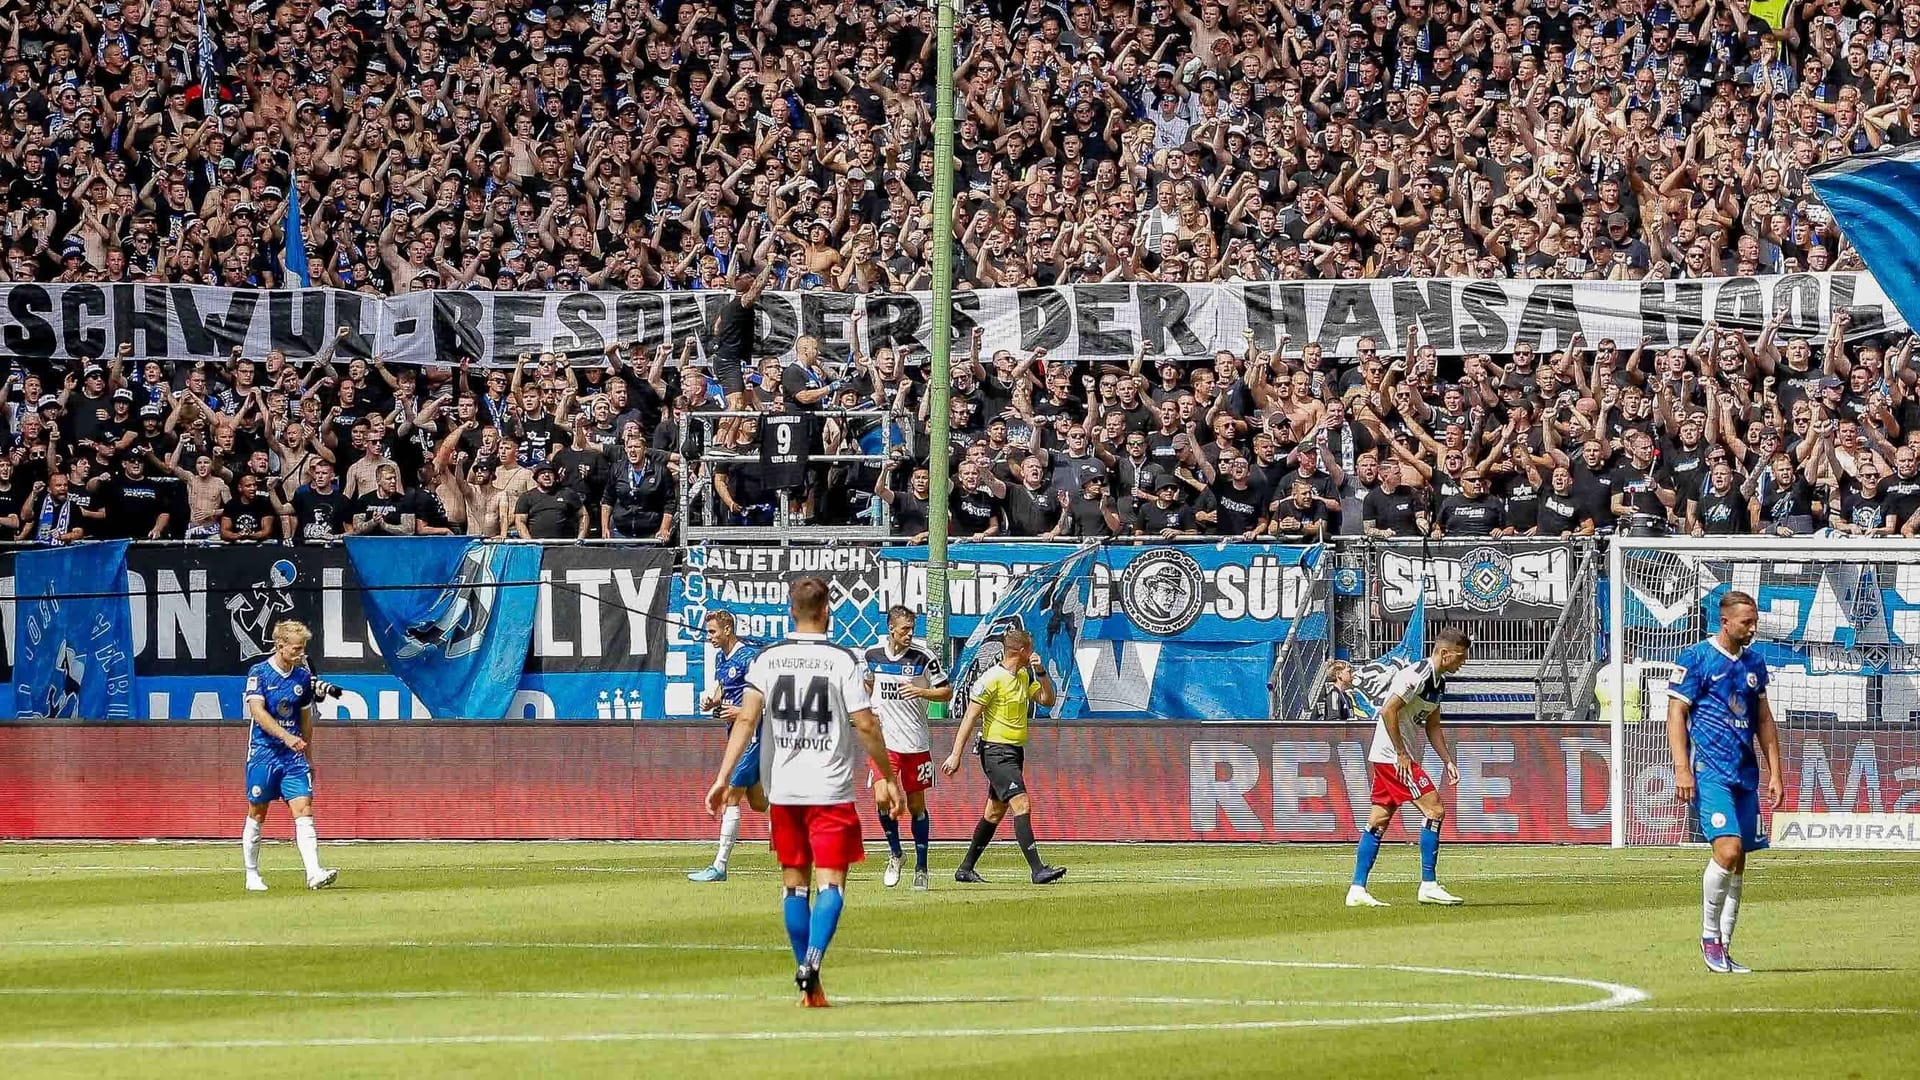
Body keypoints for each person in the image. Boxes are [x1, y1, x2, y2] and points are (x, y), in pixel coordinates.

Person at [705, 577, 900, 1008]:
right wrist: (888, 776)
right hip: (829, 790)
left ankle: (811, 989)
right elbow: (866, 724)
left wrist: (722, 777)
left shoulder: (768, 660)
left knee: (794, 888)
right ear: (827, 612)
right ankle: (811, 961)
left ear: (790, 611)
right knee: (832, 886)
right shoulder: (841, 660)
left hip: (785, 790)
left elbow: (745, 721)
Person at [1667, 590, 1783, 974]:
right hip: (1709, 772)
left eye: (1755, 621)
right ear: (1726, 622)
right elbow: (1675, 715)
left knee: (1740, 862)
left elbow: (1764, 720)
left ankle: (1726, 946)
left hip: (1745, 775)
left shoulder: (1754, 664)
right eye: (1746, 622)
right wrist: (1682, 769)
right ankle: (1708, 936)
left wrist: (1776, 773)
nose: (1753, 628)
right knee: (1728, 850)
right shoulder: (1696, 658)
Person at [1346, 627, 1471, 908]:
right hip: (1393, 757)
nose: (1462, 663)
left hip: (1391, 756)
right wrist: (1402, 754)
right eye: (1460, 657)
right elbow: (1388, 710)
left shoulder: (1438, 682)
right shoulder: (1417, 675)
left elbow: (1433, 725)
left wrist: (1447, 760)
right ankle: (1428, 884)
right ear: (1444, 652)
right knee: (1434, 809)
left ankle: (1356, 889)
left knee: (1378, 819)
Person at [942, 628, 1067, 885]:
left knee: (994, 813)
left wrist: (1041, 673)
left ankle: (965, 868)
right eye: (1030, 649)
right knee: (1021, 804)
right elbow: (970, 717)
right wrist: (955, 755)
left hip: (1014, 752)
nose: (1033, 653)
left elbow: (1047, 699)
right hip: (996, 752)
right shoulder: (992, 679)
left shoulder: (1023, 675)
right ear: (1022, 651)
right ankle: (1037, 870)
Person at [241, 620, 338, 892]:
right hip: (263, 754)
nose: (300, 653)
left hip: (293, 758)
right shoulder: (259, 673)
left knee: (304, 809)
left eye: (303, 648)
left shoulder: (303, 677)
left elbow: (305, 719)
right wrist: (285, 737)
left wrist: (308, 755)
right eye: (296, 648)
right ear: (280, 646)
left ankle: (314, 873)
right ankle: (252, 874)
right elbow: (258, 713)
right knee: (257, 811)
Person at [863, 605, 952, 890]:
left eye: (912, 629)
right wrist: (868, 706)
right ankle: (895, 853)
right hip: (885, 743)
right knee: (880, 799)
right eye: (905, 629)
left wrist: (921, 691)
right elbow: (867, 683)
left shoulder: (924, 657)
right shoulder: (872, 655)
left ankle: (922, 867)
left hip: (915, 742)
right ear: (891, 628)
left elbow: (946, 690)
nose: (910, 634)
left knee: (916, 807)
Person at [688, 610, 763, 883]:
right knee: (758, 802)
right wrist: (713, 701)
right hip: (736, 735)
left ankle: (719, 866)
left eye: (713, 632)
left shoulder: (749, 657)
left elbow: (766, 697)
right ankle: (797, 817)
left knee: (731, 795)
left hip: (755, 734)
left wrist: (741, 711)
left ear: (728, 629)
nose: (710, 638)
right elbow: (724, 689)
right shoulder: (722, 657)